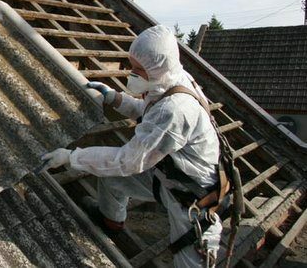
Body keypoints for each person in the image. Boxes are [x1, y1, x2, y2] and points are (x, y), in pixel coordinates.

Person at [41, 25, 223, 267]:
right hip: (167, 173)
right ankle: (112, 221)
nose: (132, 73)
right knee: (110, 178)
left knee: (191, 260)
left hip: (191, 197)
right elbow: (150, 114)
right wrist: (116, 98)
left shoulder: (176, 109)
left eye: (139, 69)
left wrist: (71, 157)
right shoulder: (169, 80)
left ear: (157, 69)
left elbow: (128, 161)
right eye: (132, 65)